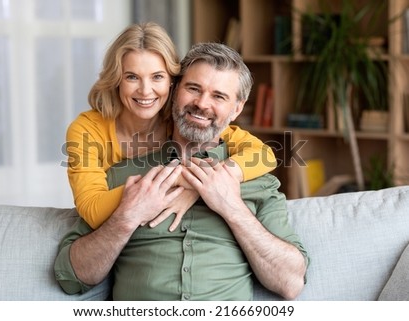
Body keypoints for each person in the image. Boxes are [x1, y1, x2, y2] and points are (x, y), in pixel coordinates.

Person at [54, 42, 309, 300]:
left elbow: (290, 282)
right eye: (193, 89)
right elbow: (71, 277)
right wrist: (127, 218)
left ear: (237, 109)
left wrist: (232, 207)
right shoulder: (122, 178)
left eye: (219, 96)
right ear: (174, 91)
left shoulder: (257, 181)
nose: (202, 104)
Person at [66, 22, 276, 231]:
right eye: (132, 77)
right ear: (116, 80)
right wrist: (184, 182)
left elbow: (264, 155)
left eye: (157, 76)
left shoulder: (181, 117)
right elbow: (93, 211)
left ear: (172, 82)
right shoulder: (87, 129)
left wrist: (197, 189)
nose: (145, 91)